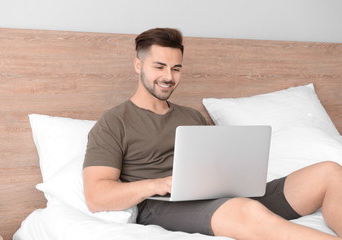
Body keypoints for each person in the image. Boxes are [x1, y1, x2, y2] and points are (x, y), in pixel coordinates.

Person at [83, 28, 342, 239]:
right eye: (159, 67)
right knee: (245, 209)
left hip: (220, 196)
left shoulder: (192, 117)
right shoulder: (114, 122)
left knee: (330, 171)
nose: (168, 77)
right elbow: (96, 196)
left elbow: (216, 163)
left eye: (176, 68)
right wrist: (159, 184)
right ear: (138, 65)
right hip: (163, 206)